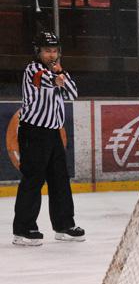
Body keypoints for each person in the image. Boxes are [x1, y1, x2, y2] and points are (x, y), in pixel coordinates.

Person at [13, 32, 85, 246]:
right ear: (38, 52)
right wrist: (57, 78)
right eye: (47, 51)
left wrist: (60, 75)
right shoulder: (32, 69)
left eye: (54, 51)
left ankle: (64, 225)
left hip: (53, 133)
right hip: (33, 132)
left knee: (60, 179)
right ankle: (23, 230)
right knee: (33, 179)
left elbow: (72, 93)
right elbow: (43, 80)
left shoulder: (59, 71)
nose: (51, 55)